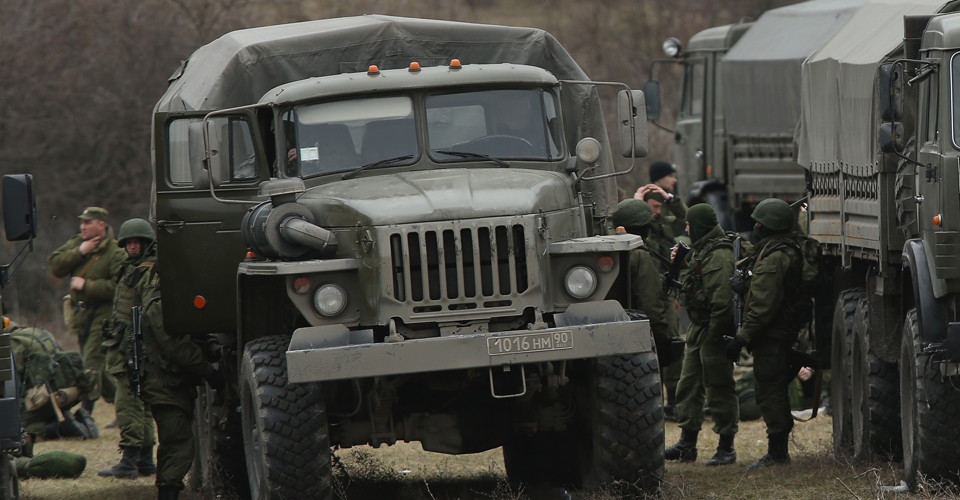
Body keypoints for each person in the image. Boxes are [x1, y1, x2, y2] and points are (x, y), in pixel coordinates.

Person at [126, 221, 218, 500]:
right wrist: (207, 370)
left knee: (174, 439)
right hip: (164, 382)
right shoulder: (160, 299)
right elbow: (175, 345)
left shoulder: (169, 293)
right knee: (177, 440)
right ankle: (168, 491)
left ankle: (168, 488)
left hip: (169, 381)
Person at [726, 198, 803, 468]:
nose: (755, 226)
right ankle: (778, 450)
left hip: (773, 334)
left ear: (769, 225)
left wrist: (741, 338)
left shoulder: (774, 258)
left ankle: (778, 452)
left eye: (759, 222)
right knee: (771, 388)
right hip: (777, 331)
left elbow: (762, 306)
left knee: (770, 391)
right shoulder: (777, 250)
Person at [663, 204, 739, 466]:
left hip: (713, 329)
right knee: (688, 385)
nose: (686, 229)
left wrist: (716, 336)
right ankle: (687, 445)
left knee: (719, 387)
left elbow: (723, 302)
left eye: (688, 225)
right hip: (699, 328)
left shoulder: (718, 255)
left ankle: (726, 447)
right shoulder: (702, 250)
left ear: (698, 226)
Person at [47, 207, 125, 419]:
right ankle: (124, 408)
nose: (83, 226)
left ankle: (86, 414)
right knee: (100, 370)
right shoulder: (77, 244)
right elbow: (55, 266)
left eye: (88, 222)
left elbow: (119, 286)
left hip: (104, 314)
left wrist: (87, 286)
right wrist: (79, 252)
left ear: (101, 225)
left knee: (91, 363)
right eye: (82, 222)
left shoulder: (116, 252)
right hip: (81, 316)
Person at [97, 218, 158, 479]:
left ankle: (130, 460)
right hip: (124, 345)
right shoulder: (129, 268)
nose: (133, 246)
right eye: (129, 242)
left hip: (136, 347)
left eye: (137, 242)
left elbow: (149, 311)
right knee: (140, 404)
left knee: (128, 403)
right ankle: (144, 460)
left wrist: (137, 344)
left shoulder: (146, 271)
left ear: (146, 243)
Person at [610, 199, 682, 378]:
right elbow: (651, 305)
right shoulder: (640, 256)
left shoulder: (609, 250)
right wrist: (661, 341)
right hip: (639, 339)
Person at [5, 318, 98, 442]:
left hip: (46, 398)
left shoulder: (14, 342)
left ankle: (62, 427)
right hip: (69, 392)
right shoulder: (37, 332)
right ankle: (77, 419)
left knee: (15, 428)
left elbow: (11, 382)